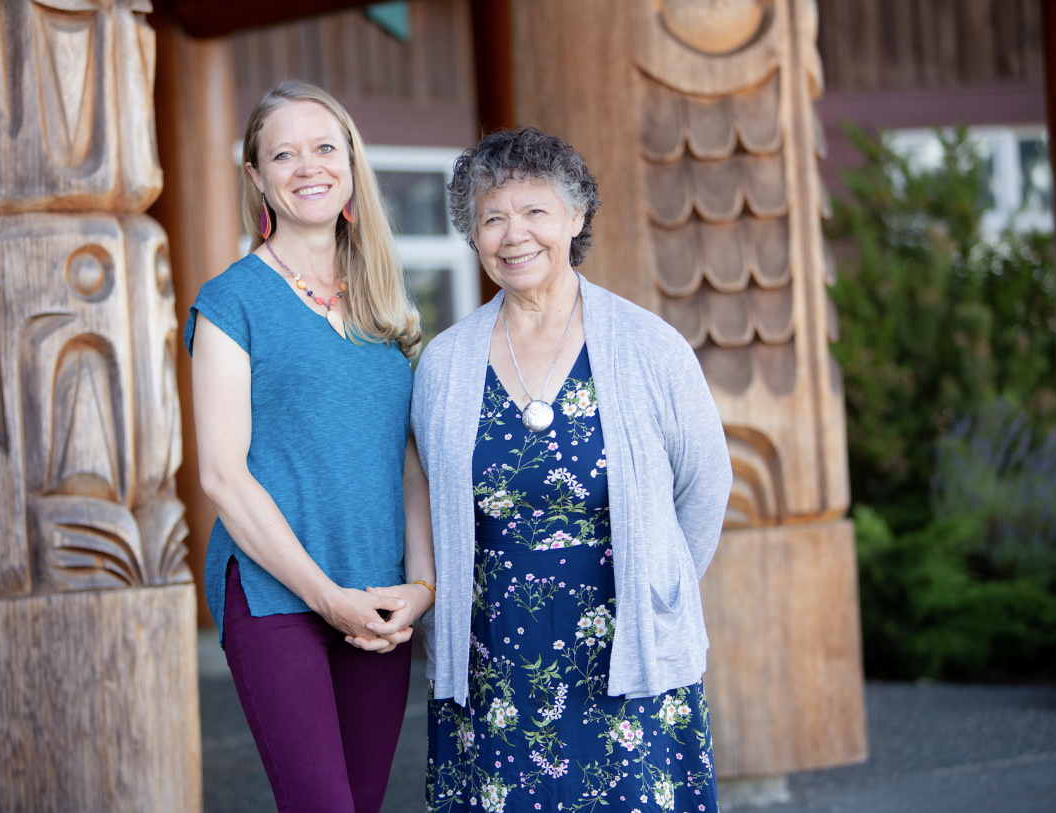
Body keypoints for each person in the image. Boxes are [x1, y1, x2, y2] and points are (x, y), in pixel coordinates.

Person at [413, 128, 732, 812]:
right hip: (494, 655)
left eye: (535, 211)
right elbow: (426, 498)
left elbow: (705, 486)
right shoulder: (444, 363)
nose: (513, 235)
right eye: (492, 218)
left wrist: (659, 588)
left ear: (576, 216)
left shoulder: (651, 347)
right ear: (473, 234)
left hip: (625, 644)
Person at [185, 80, 436, 813]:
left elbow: (408, 463)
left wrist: (421, 588)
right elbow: (223, 476)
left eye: (325, 148)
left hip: (378, 594)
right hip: (277, 594)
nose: (308, 167)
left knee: (363, 800)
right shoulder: (232, 300)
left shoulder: (383, 302)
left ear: (351, 164)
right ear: (257, 177)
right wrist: (326, 598)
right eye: (283, 154)